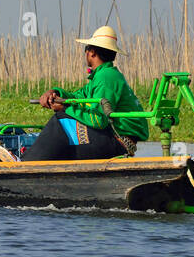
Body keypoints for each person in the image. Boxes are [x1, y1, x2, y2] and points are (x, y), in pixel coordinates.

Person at [25, 26, 149, 160]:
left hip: (117, 142)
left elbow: (98, 119)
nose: (86, 53)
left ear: (92, 52)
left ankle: (26, 162)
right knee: (62, 135)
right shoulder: (104, 75)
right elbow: (78, 96)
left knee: (60, 119)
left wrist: (65, 108)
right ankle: (30, 158)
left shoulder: (106, 77)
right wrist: (54, 92)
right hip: (111, 138)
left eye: (86, 49)